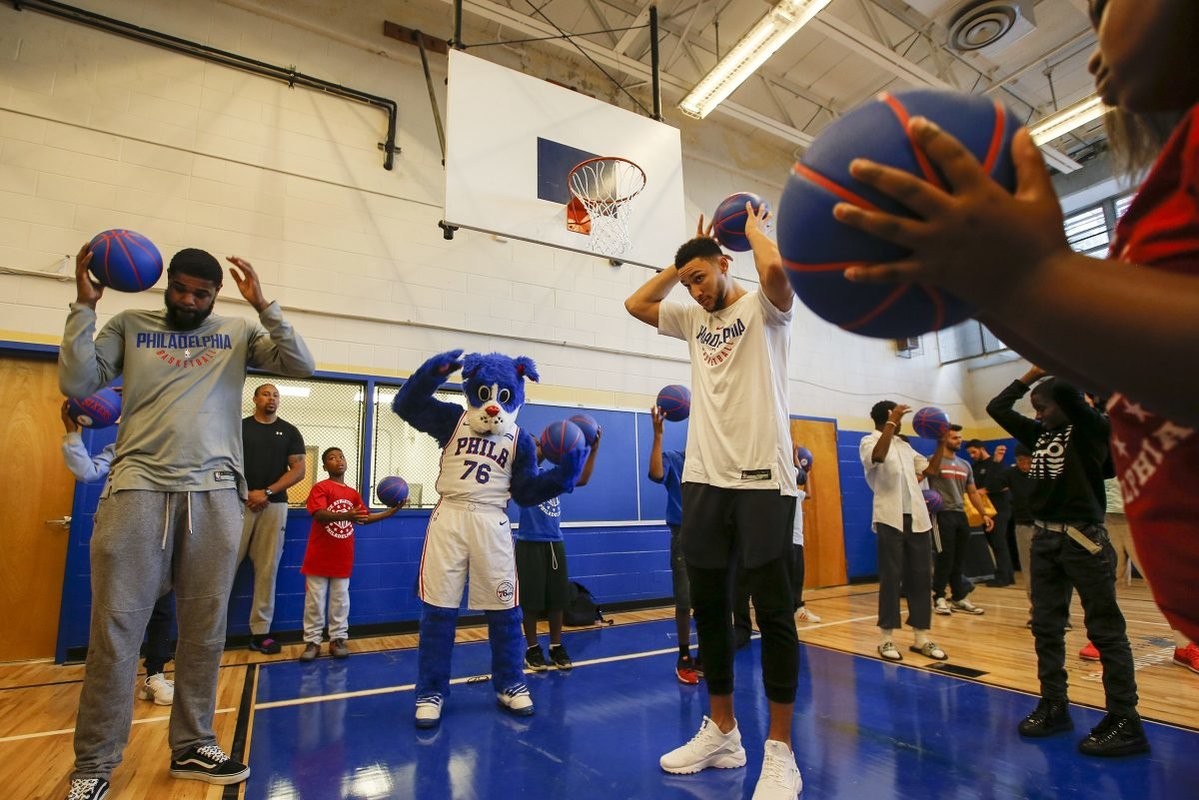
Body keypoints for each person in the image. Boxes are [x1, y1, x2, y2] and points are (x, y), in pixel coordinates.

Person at [830, 0, 1199, 645]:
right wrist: (981, 289)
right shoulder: (1166, 188)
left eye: (1102, 7)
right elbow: (1102, 365)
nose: (1092, 52)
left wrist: (1028, 276)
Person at [58, 244, 315, 800]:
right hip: (137, 488)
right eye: (181, 290)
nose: (190, 301)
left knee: (203, 629)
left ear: (215, 294)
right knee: (115, 629)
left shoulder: (237, 333)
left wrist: (264, 305)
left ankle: (194, 742)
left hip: (216, 494)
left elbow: (302, 366)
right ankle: (94, 765)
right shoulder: (129, 324)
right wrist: (84, 306)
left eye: (202, 294)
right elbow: (78, 384)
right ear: (166, 284)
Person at [625, 204, 803, 799]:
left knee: (773, 614)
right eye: (690, 282)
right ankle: (724, 731)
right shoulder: (694, 318)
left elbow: (778, 275)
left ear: (726, 264)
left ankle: (780, 751)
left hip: (762, 478)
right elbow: (635, 305)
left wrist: (752, 232)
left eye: (703, 277)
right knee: (710, 611)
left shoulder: (763, 309)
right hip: (704, 479)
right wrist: (682, 263)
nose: (697, 292)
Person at [987, 366, 1149, 756]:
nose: (1037, 414)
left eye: (1042, 407)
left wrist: (1055, 357)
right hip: (1045, 540)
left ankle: (1125, 719)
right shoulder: (1040, 434)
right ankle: (1055, 704)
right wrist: (1028, 376)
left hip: (1082, 541)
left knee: (1105, 630)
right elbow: (998, 407)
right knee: (1046, 627)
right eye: (1034, 408)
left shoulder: (1092, 429)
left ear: (1066, 402)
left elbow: (1065, 389)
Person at [61, 401, 176, 706]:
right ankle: (113, 683)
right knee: (115, 613)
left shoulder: (173, 455)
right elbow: (85, 471)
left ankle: (155, 675)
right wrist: (72, 432)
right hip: (121, 544)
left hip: (160, 543)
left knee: (163, 610)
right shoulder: (118, 451)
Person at [860, 401, 946, 662]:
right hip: (890, 518)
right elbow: (877, 457)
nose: (901, 419)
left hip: (918, 519)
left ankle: (921, 638)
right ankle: (886, 639)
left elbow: (930, 470)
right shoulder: (869, 441)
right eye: (896, 415)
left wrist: (941, 441)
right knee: (891, 577)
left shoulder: (905, 446)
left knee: (921, 578)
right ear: (887, 417)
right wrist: (891, 423)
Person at [299, 447, 399, 662]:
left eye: (341, 457)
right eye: (332, 459)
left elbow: (363, 518)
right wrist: (347, 514)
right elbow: (319, 515)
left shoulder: (352, 494)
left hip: (342, 556)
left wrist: (390, 512)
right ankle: (313, 641)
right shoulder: (320, 488)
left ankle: (337, 639)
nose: (338, 461)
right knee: (314, 601)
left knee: (340, 601)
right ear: (325, 466)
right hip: (318, 555)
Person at [517, 430, 602, 672]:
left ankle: (556, 646)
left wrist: (593, 449)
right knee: (531, 602)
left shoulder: (552, 477)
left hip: (555, 542)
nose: (538, 447)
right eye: (533, 445)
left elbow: (582, 479)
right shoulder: (520, 477)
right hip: (529, 543)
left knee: (557, 600)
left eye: (539, 443)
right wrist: (539, 450)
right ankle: (532, 649)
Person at [239, 383, 307, 655]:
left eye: (276, 395)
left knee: (267, 570)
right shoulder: (239, 427)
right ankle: (210, 634)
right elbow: (223, 462)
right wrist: (246, 493)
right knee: (222, 569)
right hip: (238, 503)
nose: (272, 398)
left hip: (274, 504)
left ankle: (260, 633)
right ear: (255, 398)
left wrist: (266, 492)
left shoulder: (289, 431)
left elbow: (299, 470)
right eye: (266, 394)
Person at [648, 404, 700, 684]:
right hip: (683, 535)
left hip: (711, 535)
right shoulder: (675, 459)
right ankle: (683, 656)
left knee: (710, 600)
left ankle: (706, 654)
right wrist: (658, 435)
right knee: (684, 599)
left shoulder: (713, 465)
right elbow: (656, 474)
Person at [922, 425, 994, 616]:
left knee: (959, 558)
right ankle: (938, 597)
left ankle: (958, 597)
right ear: (944, 439)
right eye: (954, 438)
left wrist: (984, 513)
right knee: (944, 557)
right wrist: (938, 446)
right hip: (941, 514)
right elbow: (929, 473)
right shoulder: (932, 460)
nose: (959, 440)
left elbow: (972, 492)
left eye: (959, 437)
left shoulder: (965, 465)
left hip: (960, 514)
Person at [966, 439, 1015, 586]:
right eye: (970, 453)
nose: (972, 455)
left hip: (999, 509)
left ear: (982, 449)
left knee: (999, 543)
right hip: (985, 511)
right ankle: (1007, 574)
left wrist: (985, 489)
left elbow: (1000, 484)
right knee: (995, 543)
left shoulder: (996, 464)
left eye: (974, 452)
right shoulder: (974, 467)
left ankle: (1004, 577)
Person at [789, 448, 820, 624]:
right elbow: (799, 477)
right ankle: (798, 610)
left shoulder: (796, 493)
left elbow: (808, 494)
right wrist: (796, 458)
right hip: (792, 542)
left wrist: (807, 473)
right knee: (795, 578)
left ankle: (797, 609)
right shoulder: (791, 492)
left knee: (796, 578)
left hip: (796, 542)